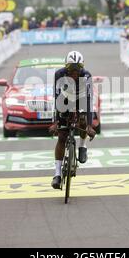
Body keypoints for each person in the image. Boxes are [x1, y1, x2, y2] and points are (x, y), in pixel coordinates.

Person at [49, 51, 96, 189]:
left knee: (82, 120)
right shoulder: (59, 74)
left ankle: (82, 145)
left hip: (82, 99)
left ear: (81, 68)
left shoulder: (86, 76)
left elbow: (88, 100)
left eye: (77, 68)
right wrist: (56, 123)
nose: (75, 72)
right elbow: (57, 98)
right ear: (66, 68)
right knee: (62, 137)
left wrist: (89, 125)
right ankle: (57, 174)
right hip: (64, 100)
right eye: (71, 69)